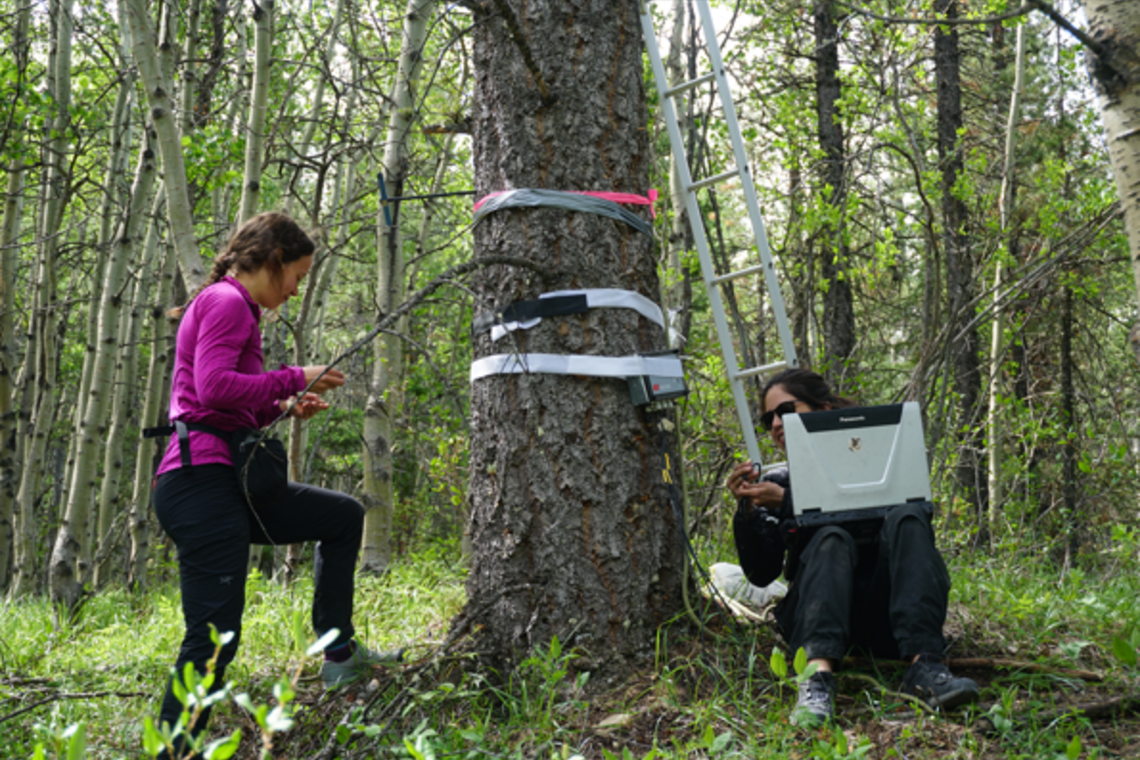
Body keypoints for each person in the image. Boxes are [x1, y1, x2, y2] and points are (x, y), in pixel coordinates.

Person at [152, 213, 395, 753]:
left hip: (227, 483)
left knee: (341, 516)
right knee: (214, 638)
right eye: (298, 276)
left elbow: (221, 400)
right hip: (199, 484)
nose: (296, 289)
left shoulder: (235, 307)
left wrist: (281, 404)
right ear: (274, 259)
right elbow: (212, 388)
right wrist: (292, 376)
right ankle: (174, 749)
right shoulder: (225, 301)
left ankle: (338, 656)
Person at [726, 368, 978, 725]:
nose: (776, 424)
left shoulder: (877, 464)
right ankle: (815, 678)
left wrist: (788, 501)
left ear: (823, 409)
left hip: (886, 618)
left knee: (908, 515)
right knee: (831, 538)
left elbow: (911, 536)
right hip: (818, 618)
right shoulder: (774, 482)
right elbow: (761, 573)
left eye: (786, 410)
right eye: (768, 419)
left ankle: (926, 667)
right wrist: (748, 513)